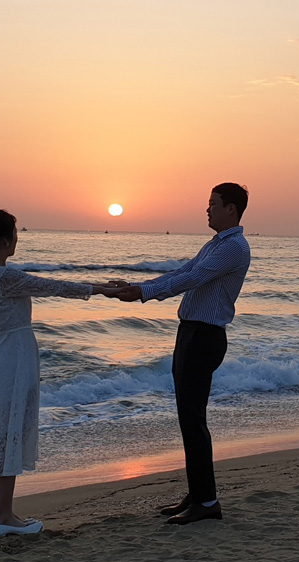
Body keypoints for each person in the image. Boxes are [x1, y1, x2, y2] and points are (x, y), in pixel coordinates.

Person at [0, 209, 121, 536]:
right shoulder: (4, 276)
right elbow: (50, 286)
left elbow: (44, 285)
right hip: (14, 357)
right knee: (8, 431)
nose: (18, 238)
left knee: (6, 431)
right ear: (6, 240)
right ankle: (4, 516)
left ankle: (2, 512)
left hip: (9, 352)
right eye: (15, 233)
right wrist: (100, 288)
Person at [111, 182, 251, 524]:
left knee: (193, 420)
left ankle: (206, 502)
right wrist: (138, 287)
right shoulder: (216, 243)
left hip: (204, 336)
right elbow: (183, 272)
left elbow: (193, 279)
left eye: (213, 204)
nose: (208, 209)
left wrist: (144, 293)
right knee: (189, 419)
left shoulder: (234, 247)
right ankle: (199, 493)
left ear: (231, 209)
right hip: (191, 333)